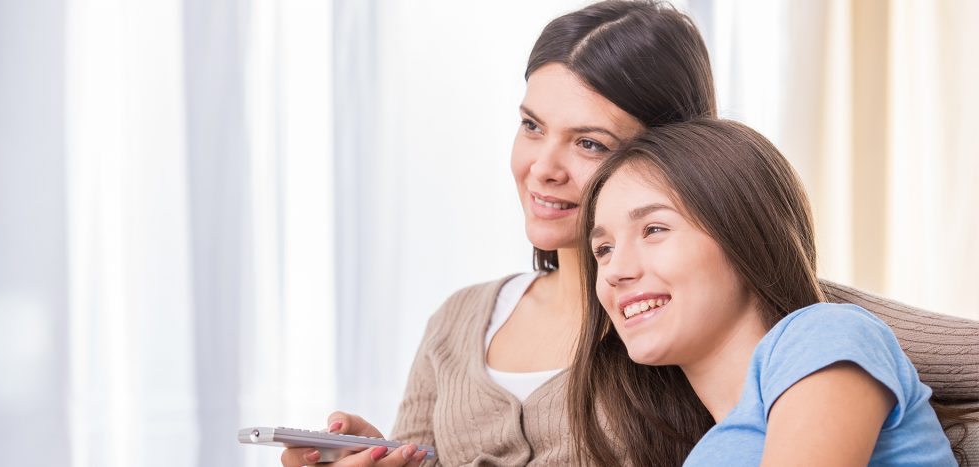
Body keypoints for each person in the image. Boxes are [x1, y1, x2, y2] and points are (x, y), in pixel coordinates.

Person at [282, 1, 975, 466]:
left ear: (686, 162)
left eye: (588, 143)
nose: (542, 168)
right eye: (531, 125)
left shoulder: (799, 330)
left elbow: (845, 335)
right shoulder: (460, 320)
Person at [570, 118, 968, 466]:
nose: (616, 271)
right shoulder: (708, 444)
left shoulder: (824, 334)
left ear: (744, 237)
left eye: (654, 229)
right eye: (603, 250)